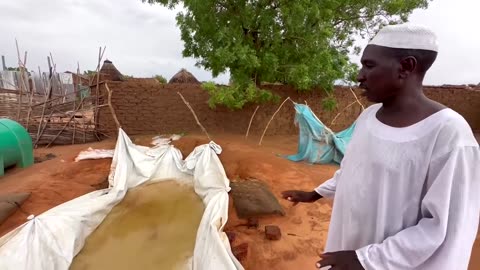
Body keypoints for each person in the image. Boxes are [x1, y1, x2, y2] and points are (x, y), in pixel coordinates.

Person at [282, 24, 480, 270]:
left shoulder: (449, 134)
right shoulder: (368, 118)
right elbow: (352, 170)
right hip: (350, 254)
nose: (359, 75)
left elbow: (443, 225)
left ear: (405, 67)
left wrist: (367, 259)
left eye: (369, 65)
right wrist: (316, 193)